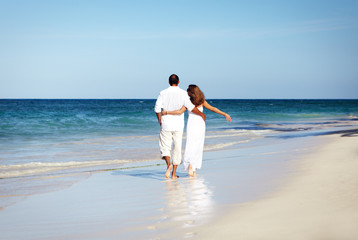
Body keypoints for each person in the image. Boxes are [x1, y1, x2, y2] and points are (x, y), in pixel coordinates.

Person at [162, 84, 231, 177]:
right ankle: (193, 168)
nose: (186, 92)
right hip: (200, 124)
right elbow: (213, 108)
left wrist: (167, 112)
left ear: (191, 92)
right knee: (198, 145)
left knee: (190, 144)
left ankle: (191, 165)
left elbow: (179, 112)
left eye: (188, 91)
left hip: (191, 124)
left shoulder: (188, 102)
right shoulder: (201, 101)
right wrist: (224, 114)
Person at [154, 75, 206, 179]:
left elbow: (157, 108)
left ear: (169, 82)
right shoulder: (183, 93)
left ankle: (168, 165)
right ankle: (174, 174)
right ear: (178, 82)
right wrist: (202, 114)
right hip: (178, 125)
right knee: (177, 148)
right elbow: (191, 107)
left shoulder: (163, 93)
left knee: (165, 147)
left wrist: (160, 119)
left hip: (166, 124)